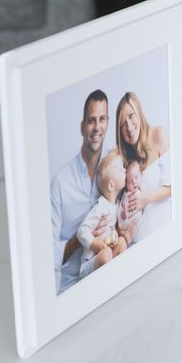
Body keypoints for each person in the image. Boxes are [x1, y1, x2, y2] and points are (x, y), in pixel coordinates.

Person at [50, 90, 114, 293]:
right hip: (72, 288)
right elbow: (48, 255)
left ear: (108, 123)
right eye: (91, 121)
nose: (97, 127)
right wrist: (80, 239)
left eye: (102, 119)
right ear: (82, 127)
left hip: (110, 278)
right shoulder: (61, 182)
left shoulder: (115, 166)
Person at [114, 92, 171, 241]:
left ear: (139, 112)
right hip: (138, 243)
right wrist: (120, 228)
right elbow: (119, 204)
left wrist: (146, 198)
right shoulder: (125, 159)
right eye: (122, 124)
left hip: (164, 232)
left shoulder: (158, 135)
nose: (129, 126)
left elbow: (175, 185)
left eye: (131, 116)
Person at [75, 150, 128, 278]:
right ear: (111, 185)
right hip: (91, 262)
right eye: (121, 169)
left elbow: (120, 228)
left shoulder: (118, 204)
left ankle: (121, 275)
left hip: (108, 253)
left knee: (121, 242)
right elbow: (82, 231)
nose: (125, 171)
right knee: (106, 254)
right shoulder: (101, 206)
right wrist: (97, 245)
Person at [117, 159, 143, 244]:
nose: (134, 182)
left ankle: (129, 234)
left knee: (139, 218)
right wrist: (124, 212)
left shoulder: (141, 190)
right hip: (126, 218)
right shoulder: (126, 194)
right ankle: (124, 217)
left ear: (141, 176)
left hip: (136, 219)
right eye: (130, 181)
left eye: (136, 177)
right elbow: (122, 204)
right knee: (122, 212)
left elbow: (145, 196)